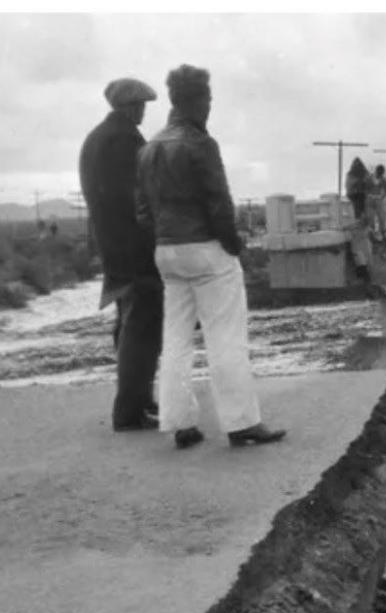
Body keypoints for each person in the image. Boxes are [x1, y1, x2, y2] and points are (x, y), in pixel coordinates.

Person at [135, 63, 285, 450]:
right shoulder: (201, 144)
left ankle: (178, 422)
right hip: (205, 249)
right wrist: (233, 244)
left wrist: (165, 238)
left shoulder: (149, 147)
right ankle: (241, 423)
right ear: (198, 100)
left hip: (166, 251)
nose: (210, 107)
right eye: (208, 99)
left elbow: (142, 211)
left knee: (176, 338)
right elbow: (219, 203)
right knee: (226, 338)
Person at [79, 76, 162, 432]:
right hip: (135, 248)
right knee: (142, 328)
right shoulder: (124, 140)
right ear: (131, 106)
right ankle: (129, 410)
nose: (144, 111)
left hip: (113, 246)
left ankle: (139, 400)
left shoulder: (96, 139)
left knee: (128, 324)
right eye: (141, 105)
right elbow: (137, 200)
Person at [365, 164, 386, 242]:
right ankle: (371, 236)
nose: (380, 175)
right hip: (369, 200)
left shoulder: (383, 180)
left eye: (381, 174)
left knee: (382, 217)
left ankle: (384, 234)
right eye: (379, 173)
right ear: (376, 171)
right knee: (371, 218)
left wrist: (381, 197)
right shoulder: (368, 178)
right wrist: (368, 195)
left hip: (378, 200)